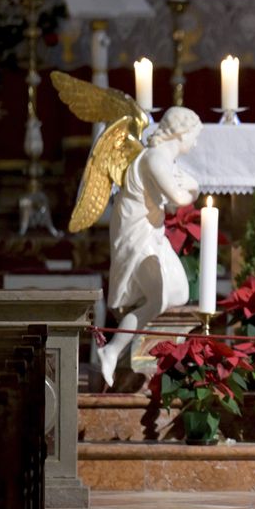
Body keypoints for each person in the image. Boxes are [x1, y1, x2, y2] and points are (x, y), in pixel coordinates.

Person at [101, 107, 203, 388]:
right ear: (181, 133)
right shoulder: (156, 157)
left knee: (180, 292)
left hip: (153, 232)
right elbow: (179, 197)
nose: (195, 143)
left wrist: (191, 188)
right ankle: (115, 351)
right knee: (156, 298)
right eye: (194, 135)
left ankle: (140, 350)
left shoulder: (164, 158)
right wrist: (195, 186)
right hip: (137, 232)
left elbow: (175, 198)